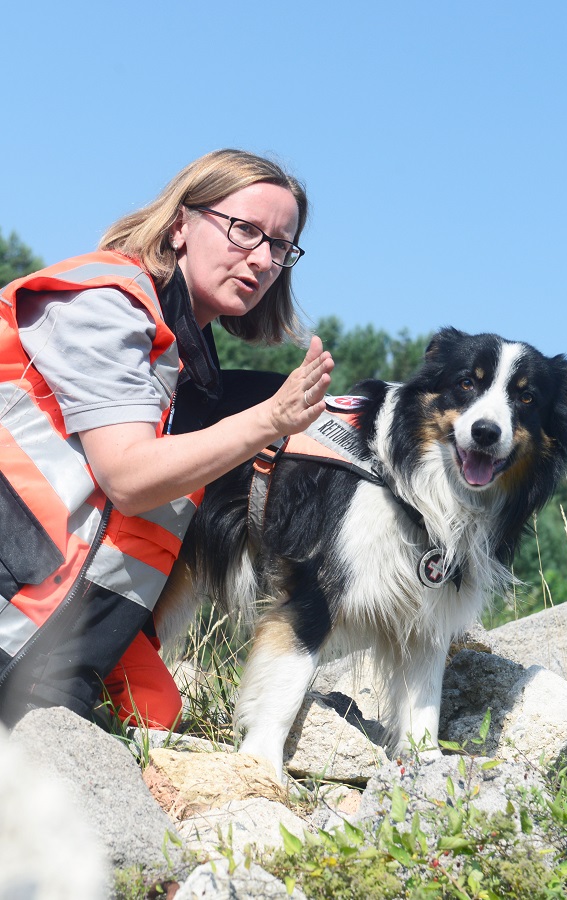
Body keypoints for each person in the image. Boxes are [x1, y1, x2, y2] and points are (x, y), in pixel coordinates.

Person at [0, 148, 334, 730]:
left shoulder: (188, 368)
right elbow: (127, 478)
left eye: (280, 246)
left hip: (60, 633)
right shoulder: (104, 305)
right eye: (244, 230)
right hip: (14, 604)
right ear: (180, 225)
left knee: (155, 711)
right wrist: (269, 420)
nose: (262, 259)